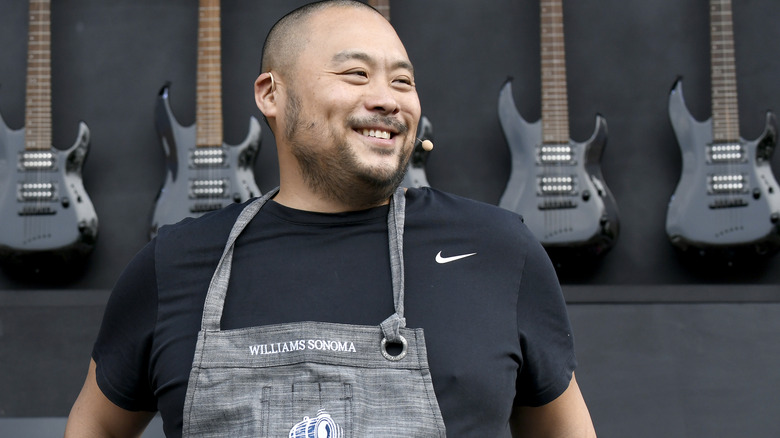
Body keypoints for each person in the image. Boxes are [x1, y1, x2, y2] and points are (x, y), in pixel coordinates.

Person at [65, 1, 597, 436]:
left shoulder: (497, 249)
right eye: (356, 73)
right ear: (272, 94)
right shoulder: (176, 261)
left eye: (403, 82)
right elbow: (97, 426)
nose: (387, 100)